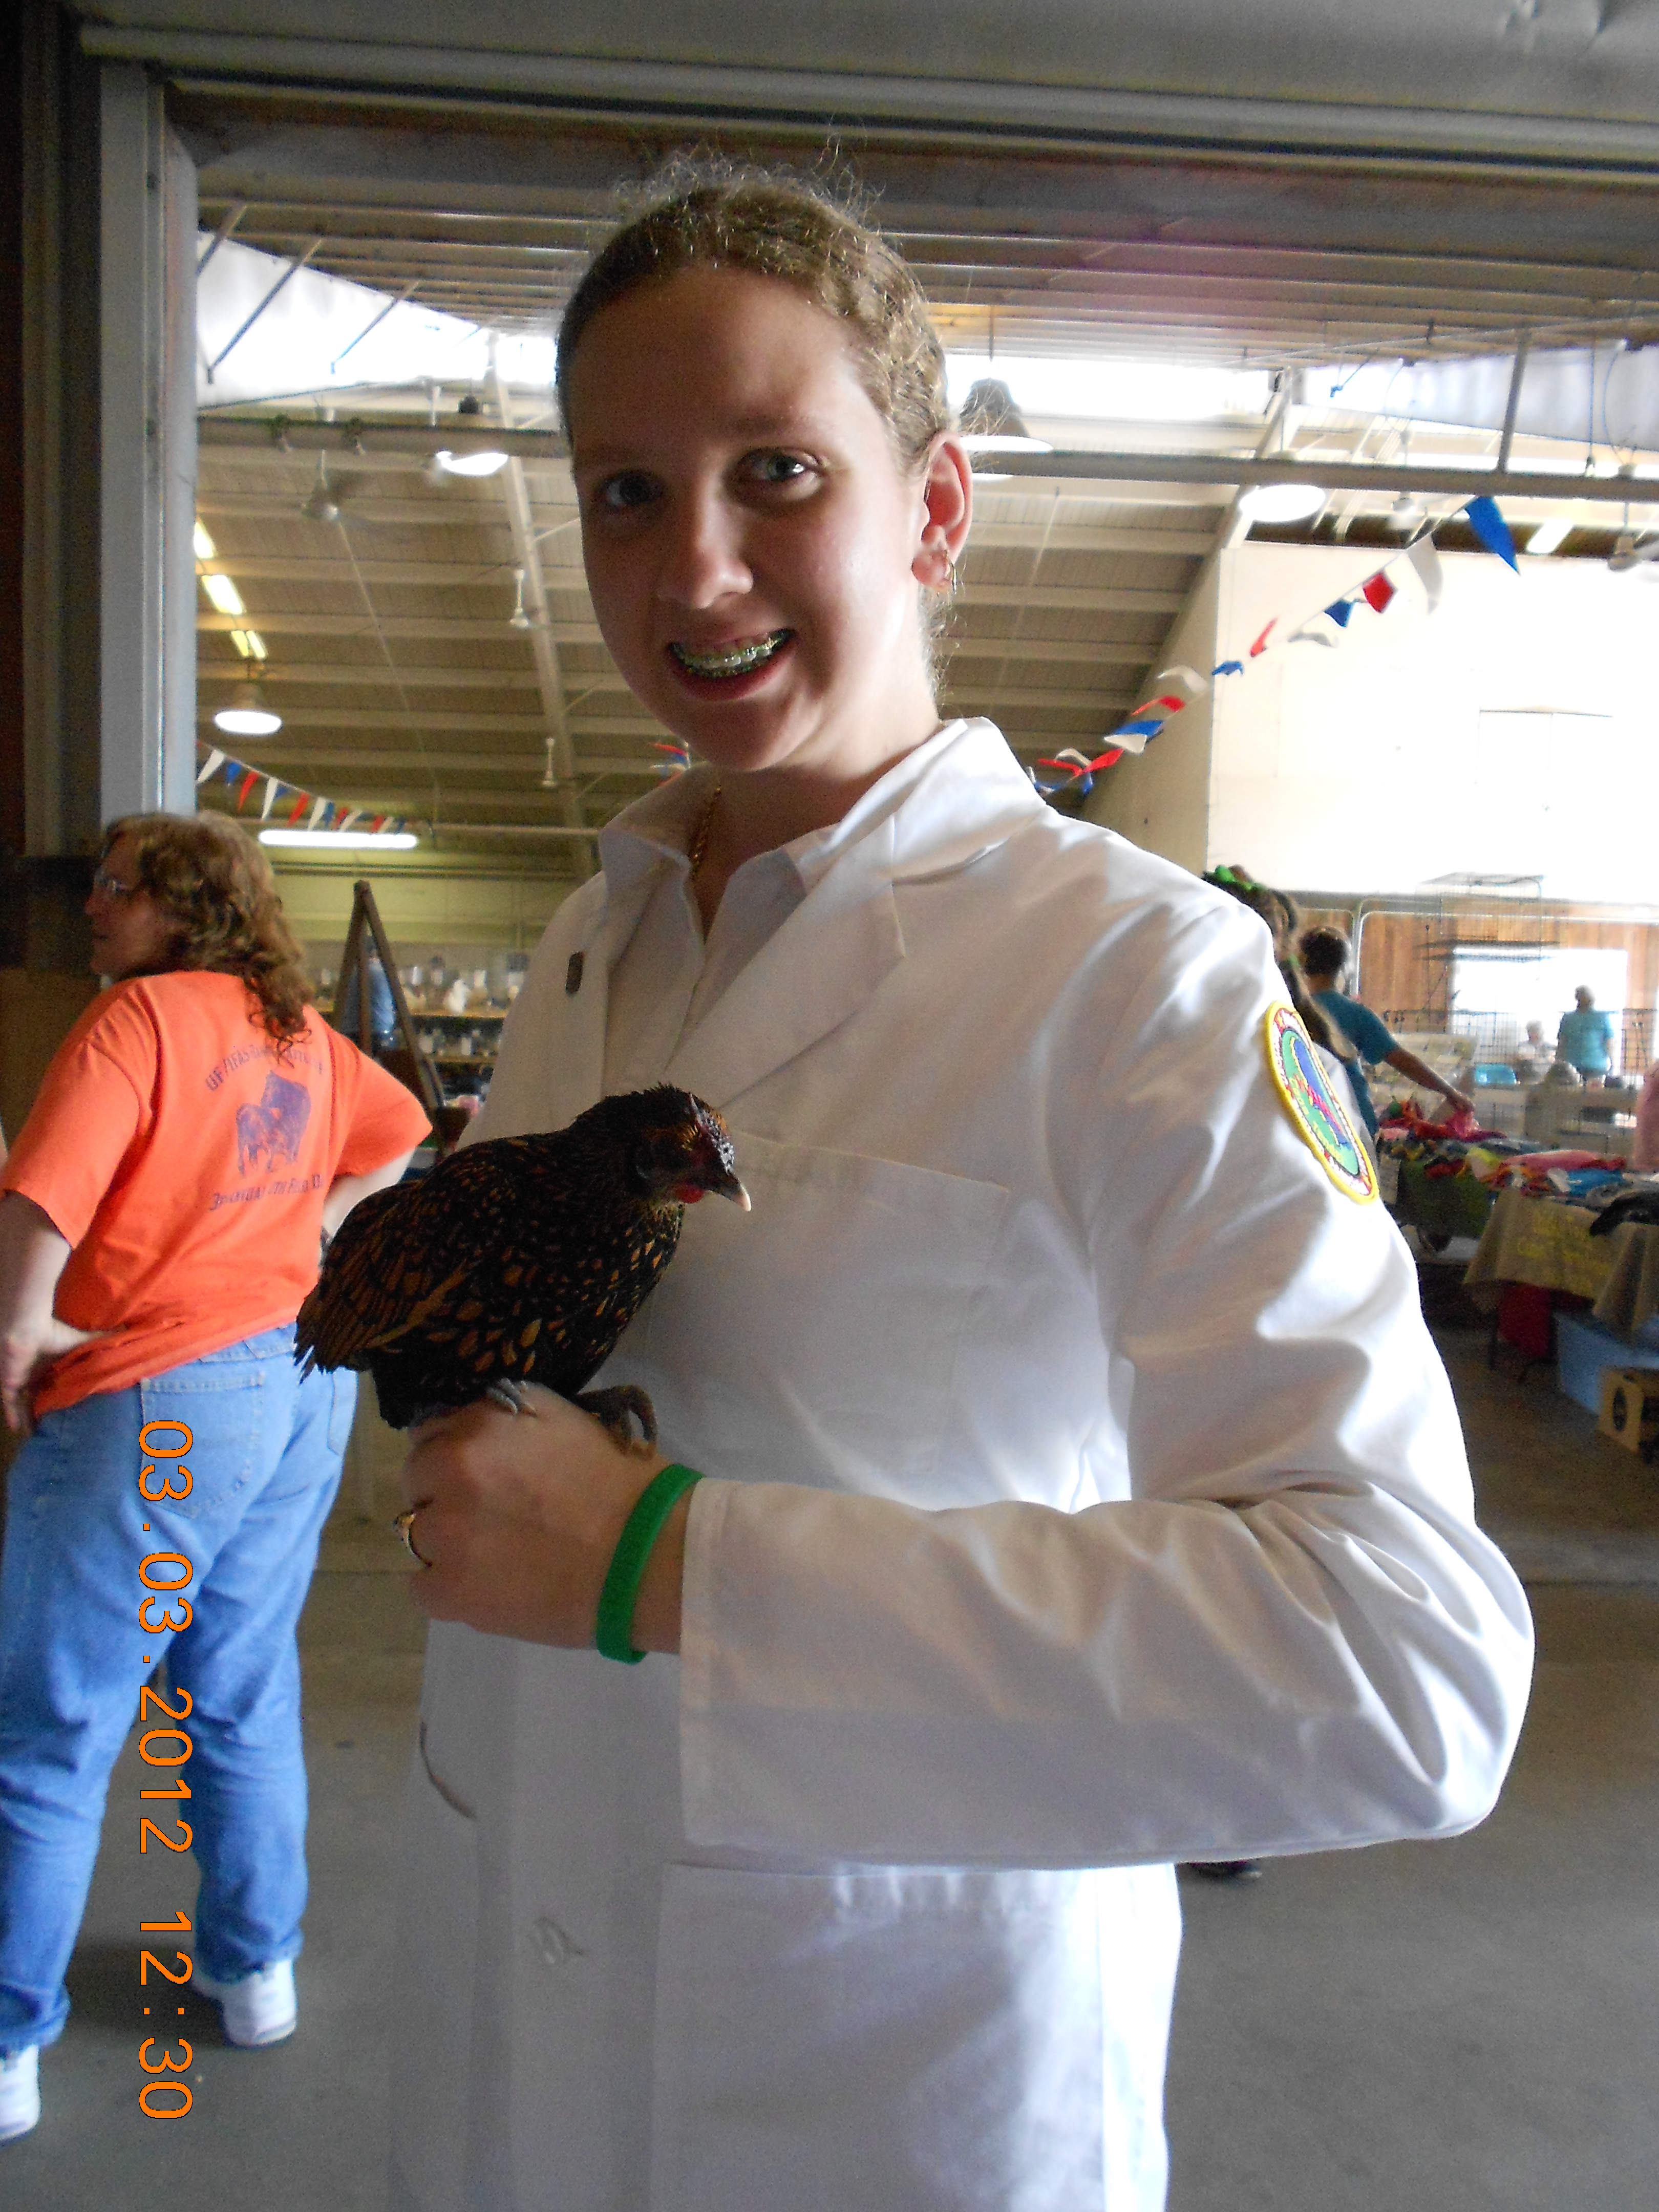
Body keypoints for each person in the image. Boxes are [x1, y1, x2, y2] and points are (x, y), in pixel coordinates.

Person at [386, 173, 1533, 2212]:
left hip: (888, 2082)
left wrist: (666, 1563)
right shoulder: (591, 944)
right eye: (629, 493)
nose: (697, 565)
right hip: (525, 2040)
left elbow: (1399, 1669)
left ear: (931, 512)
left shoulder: (1136, 979)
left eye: (777, 472)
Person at [0, 813, 429, 2143]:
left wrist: (18, 1336)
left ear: (183, 907)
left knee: (54, 1726)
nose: (94, 905)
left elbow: (43, 1200)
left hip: (163, 1402)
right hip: (300, 1385)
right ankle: (254, 1973)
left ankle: (8, 2042)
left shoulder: (137, 1022)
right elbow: (404, 1127)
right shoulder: (294, 1031)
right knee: (235, 1689)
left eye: (118, 887)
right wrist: (315, 1226)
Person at [1298, 925, 1475, 1137]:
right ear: (1345, 967)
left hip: (1306, 1118)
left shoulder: (1291, 1011)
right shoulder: (1355, 1014)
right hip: (1352, 1122)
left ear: (1303, 965)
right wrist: (1449, 1091)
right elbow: (1402, 1060)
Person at [1556, 984, 1617, 1086]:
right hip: (1596, 1065)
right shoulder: (1602, 1017)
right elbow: (1609, 1043)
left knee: (1570, 1093)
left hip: (1572, 1066)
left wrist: (1558, 1063)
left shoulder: (1568, 1018)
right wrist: (1613, 1063)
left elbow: (1562, 1043)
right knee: (1593, 1094)